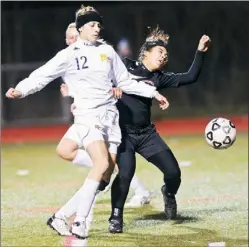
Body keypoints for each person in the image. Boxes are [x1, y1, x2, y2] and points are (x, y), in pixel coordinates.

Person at [5, 5, 168, 239]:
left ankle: (60, 216)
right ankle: (79, 222)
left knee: (106, 173)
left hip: (110, 119)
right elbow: (43, 74)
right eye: (91, 25)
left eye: (98, 25)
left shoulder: (108, 52)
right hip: (88, 116)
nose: (96, 28)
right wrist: (20, 90)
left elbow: (125, 81)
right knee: (100, 164)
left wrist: (153, 93)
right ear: (80, 28)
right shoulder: (69, 54)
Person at [108, 27, 211, 233]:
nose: (164, 57)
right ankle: (116, 216)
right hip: (123, 134)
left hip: (146, 134)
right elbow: (103, 73)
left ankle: (169, 193)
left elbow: (190, 77)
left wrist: (200, 52)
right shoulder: (124, 65)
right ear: (146, 52)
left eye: (166, 55)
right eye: (160, 52)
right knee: (126, 173)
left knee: (173, 172)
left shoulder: (160, 77)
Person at [62, 22, 151, 208]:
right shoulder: (69, 59)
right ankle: (101, 167)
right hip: (85, 115)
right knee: (65, 150)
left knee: (111, 160)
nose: (71, 40)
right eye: (68, 38)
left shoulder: (97, 55)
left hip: (101, 115)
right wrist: (73, 97)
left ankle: (140, 190)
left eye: (73, 37)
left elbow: (114, 77)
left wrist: (116, 87)